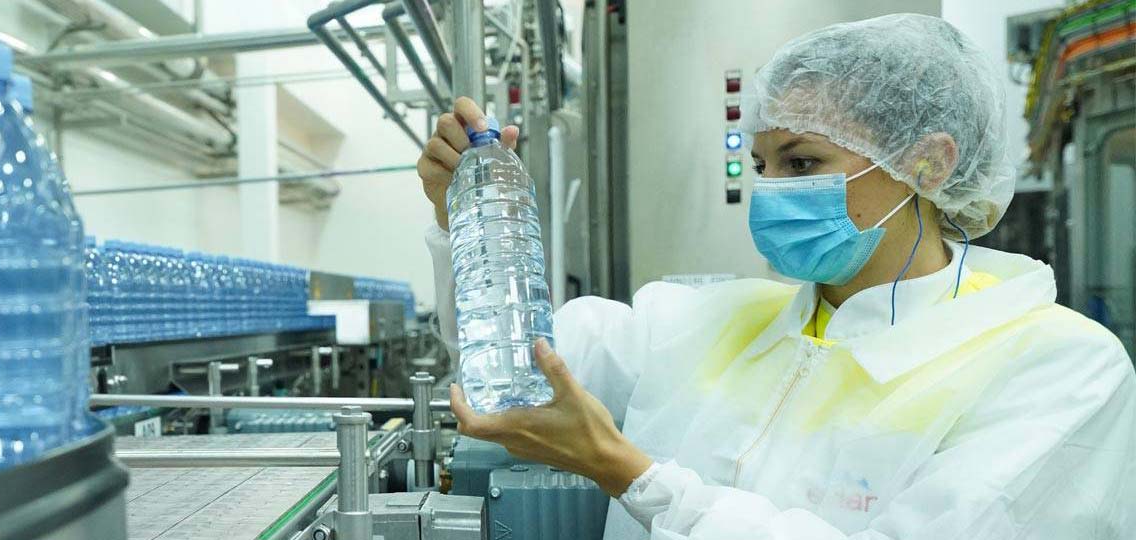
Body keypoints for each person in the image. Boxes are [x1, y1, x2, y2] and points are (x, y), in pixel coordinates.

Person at [418, 14, 1136, 539]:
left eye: (801, 164)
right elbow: (525, 360)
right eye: (763, 166)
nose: (771, 192)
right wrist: (471, 219)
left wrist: (635, 477)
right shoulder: (709, 319)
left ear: (930, 163)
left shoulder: (1054, 366)